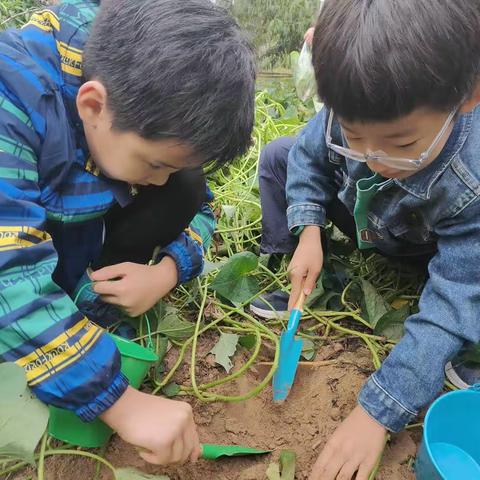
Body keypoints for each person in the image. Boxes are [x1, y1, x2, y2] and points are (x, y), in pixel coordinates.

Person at [0, 0, 255, 466]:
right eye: (155, 164)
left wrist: (165, 272)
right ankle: (52, 340)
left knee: (187, 185)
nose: (158, 179)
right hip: (16, 249)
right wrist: (120, 401)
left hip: (79, 239)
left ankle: (77, 315)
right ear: (93, 104)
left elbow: (202, 210)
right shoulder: (9, 98)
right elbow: (6, 273)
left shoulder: (147, 108)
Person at [250, 0, 480, 478]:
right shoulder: (345, 113)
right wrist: (309, 231)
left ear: (469, 97)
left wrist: (379, 410)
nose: (372, 157)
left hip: (435, 246)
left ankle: (464, 353)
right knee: (279, 155)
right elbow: (310, 161)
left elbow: (455, 293)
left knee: (464, 300)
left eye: (400, 144)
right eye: (354, 137)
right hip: (372, 221)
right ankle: (299, 266)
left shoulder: (471, 177)